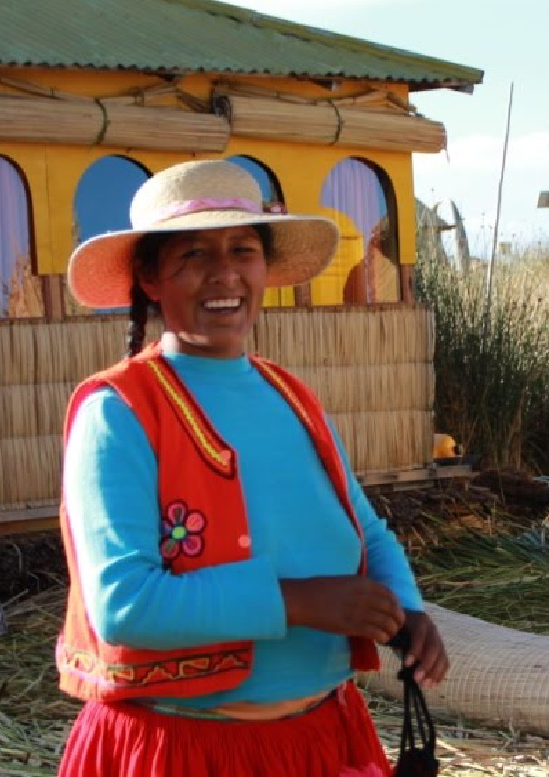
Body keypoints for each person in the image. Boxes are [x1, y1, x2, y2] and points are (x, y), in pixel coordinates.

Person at [56, 159, 448, 777]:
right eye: (193, 255)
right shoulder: (120, 411)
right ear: (150, 279)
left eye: (243, 249)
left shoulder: (292, 397)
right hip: (183, 750)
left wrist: (406, 608)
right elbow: (124, 603)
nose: (225, 274)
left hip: (323, 738)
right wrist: (298, 602)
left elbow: (366, 531)